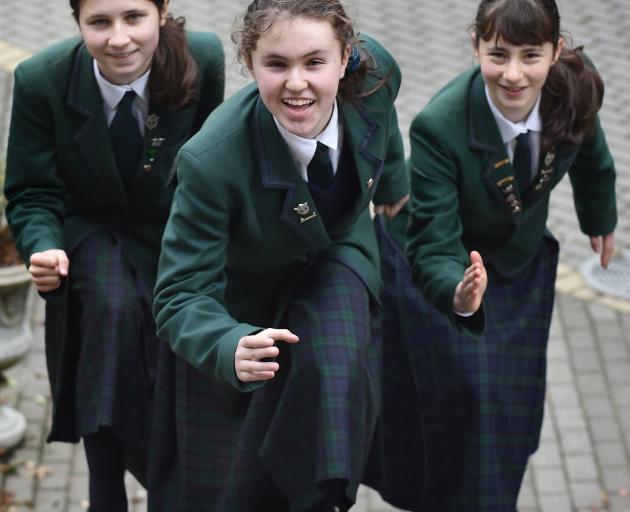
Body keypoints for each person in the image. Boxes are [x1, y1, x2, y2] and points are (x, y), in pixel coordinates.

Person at [148, 0, 408, 510]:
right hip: (245, 302)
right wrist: (228, 344)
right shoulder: (208, 163)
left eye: (314, 62)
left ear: (346, 56)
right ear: (249, 61)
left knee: (337, 372)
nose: (296, 83)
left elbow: (385, 126)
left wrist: (393, 181)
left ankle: (328, 494)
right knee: (232, 483)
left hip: (336, 254)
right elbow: (177, 296)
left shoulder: (375, 73)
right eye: (276, 64)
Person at [364, 0, 617, 510]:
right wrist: (459, 293)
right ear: (475, 45)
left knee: (506, 414)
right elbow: (433, 242)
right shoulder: (439, 125)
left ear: (557, 51)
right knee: (463, 410)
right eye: (498, 54)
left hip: (518, 266)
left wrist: (599, 216)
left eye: (531, 55)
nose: (514, 74)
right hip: (433, 274)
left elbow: (590, 151)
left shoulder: (579, 84)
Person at [3, 0, 224, 509]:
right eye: (99, 22)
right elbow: (33, 191)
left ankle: (165, 479)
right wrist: (43, 246)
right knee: (108, 307)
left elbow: (215, 156)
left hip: (172, 228)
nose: (119, 38)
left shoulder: (203, 57)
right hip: (91, 226)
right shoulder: (42, 79)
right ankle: (108, 487)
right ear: (77, 22)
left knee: (172, 336)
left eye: (133, 17)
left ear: (163, 12)